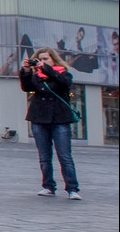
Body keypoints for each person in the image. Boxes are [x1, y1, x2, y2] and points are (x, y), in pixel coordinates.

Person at [21, 48, 82, 200]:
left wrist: (45, 69)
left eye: (46, 59)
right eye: (39, 59)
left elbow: (64, 83)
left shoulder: (63, 73)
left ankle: (72, 189)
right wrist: (26, 71)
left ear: (53, 60)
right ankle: (48, 186)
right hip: (39, 119)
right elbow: (26, 87)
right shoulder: (37, 77)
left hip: (59, 119)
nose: (42, 61)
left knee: (65, 156)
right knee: (44, 156)